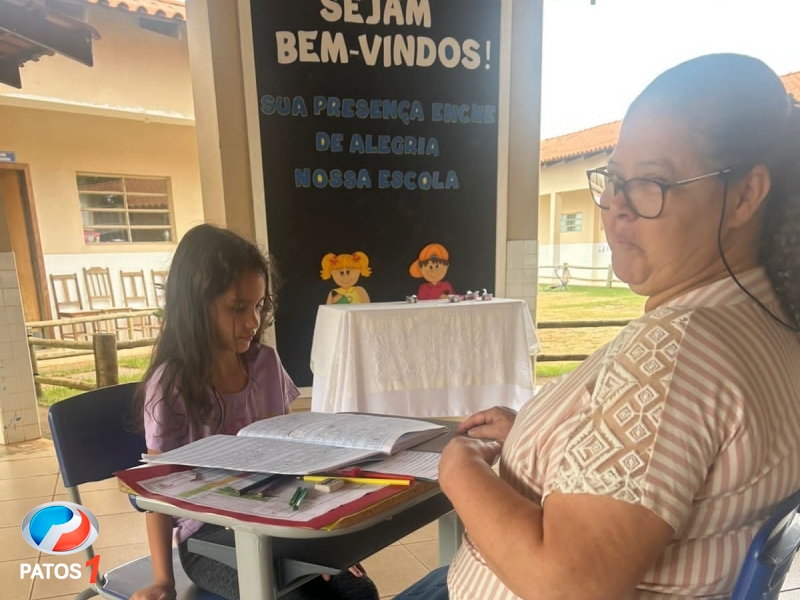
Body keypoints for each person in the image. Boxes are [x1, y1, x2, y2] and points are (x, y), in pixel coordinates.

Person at [395, 53, 800, 600]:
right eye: (613, 179)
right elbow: (686, 471)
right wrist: (542, 444)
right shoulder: (770, 327)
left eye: (650, 182)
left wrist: (457, 467)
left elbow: (568, 584)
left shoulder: (677, 348)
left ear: (746, 194)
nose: (614, 205)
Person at [131, 224, 379, 600]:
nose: (253, 321)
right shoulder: (172, 386)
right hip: (209, 537)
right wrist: (163, 581)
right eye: (238, 308)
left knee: (357, 593)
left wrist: (325, 544)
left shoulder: (265, 363)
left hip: (279, 520)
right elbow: (157, 494)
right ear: (196, 304)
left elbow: (291, 454)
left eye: (259, 305)